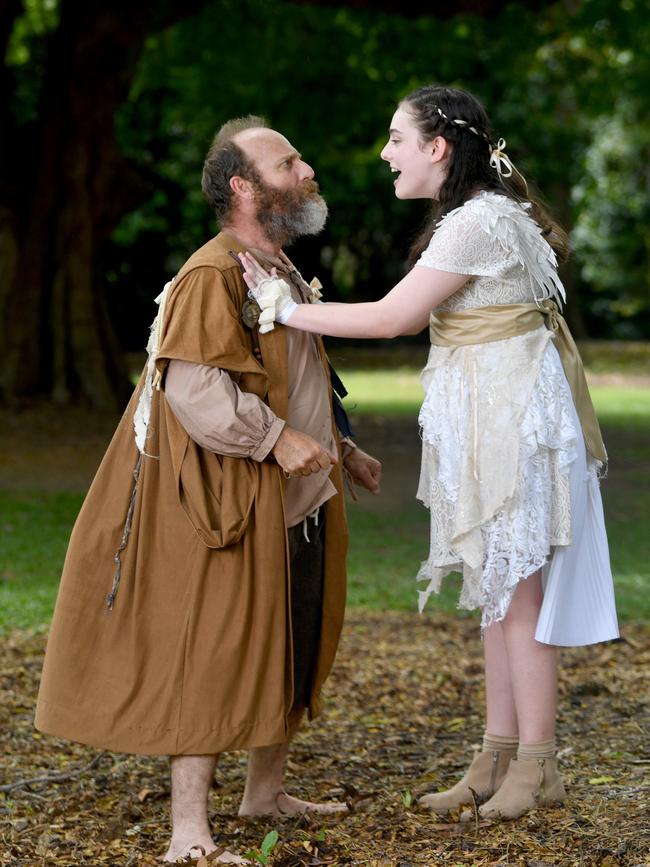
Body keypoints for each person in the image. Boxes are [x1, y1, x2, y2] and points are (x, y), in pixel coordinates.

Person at [239, 85, 619, 822]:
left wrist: (286, 310)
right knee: (495, 591)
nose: (386, 153)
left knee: (516, 592)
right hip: (494, 414)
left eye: (396, 138)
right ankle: (496, 753)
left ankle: (538, 763)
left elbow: (393, 317)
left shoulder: (477, 221)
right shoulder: (477, 217)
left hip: (514, 421)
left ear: (437, 148)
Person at [35, 115, 382, 864]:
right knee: (211, 650)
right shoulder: (212, 273)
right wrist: (274, 440)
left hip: (298, 494)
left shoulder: (279, 269)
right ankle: (187, 833)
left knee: (290, 636)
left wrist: (340, 448)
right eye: (289, 161)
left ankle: (265, 791)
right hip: (226, 498)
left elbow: (296, 380)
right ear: (243, 186)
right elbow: (196, 392)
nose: (307, 167)